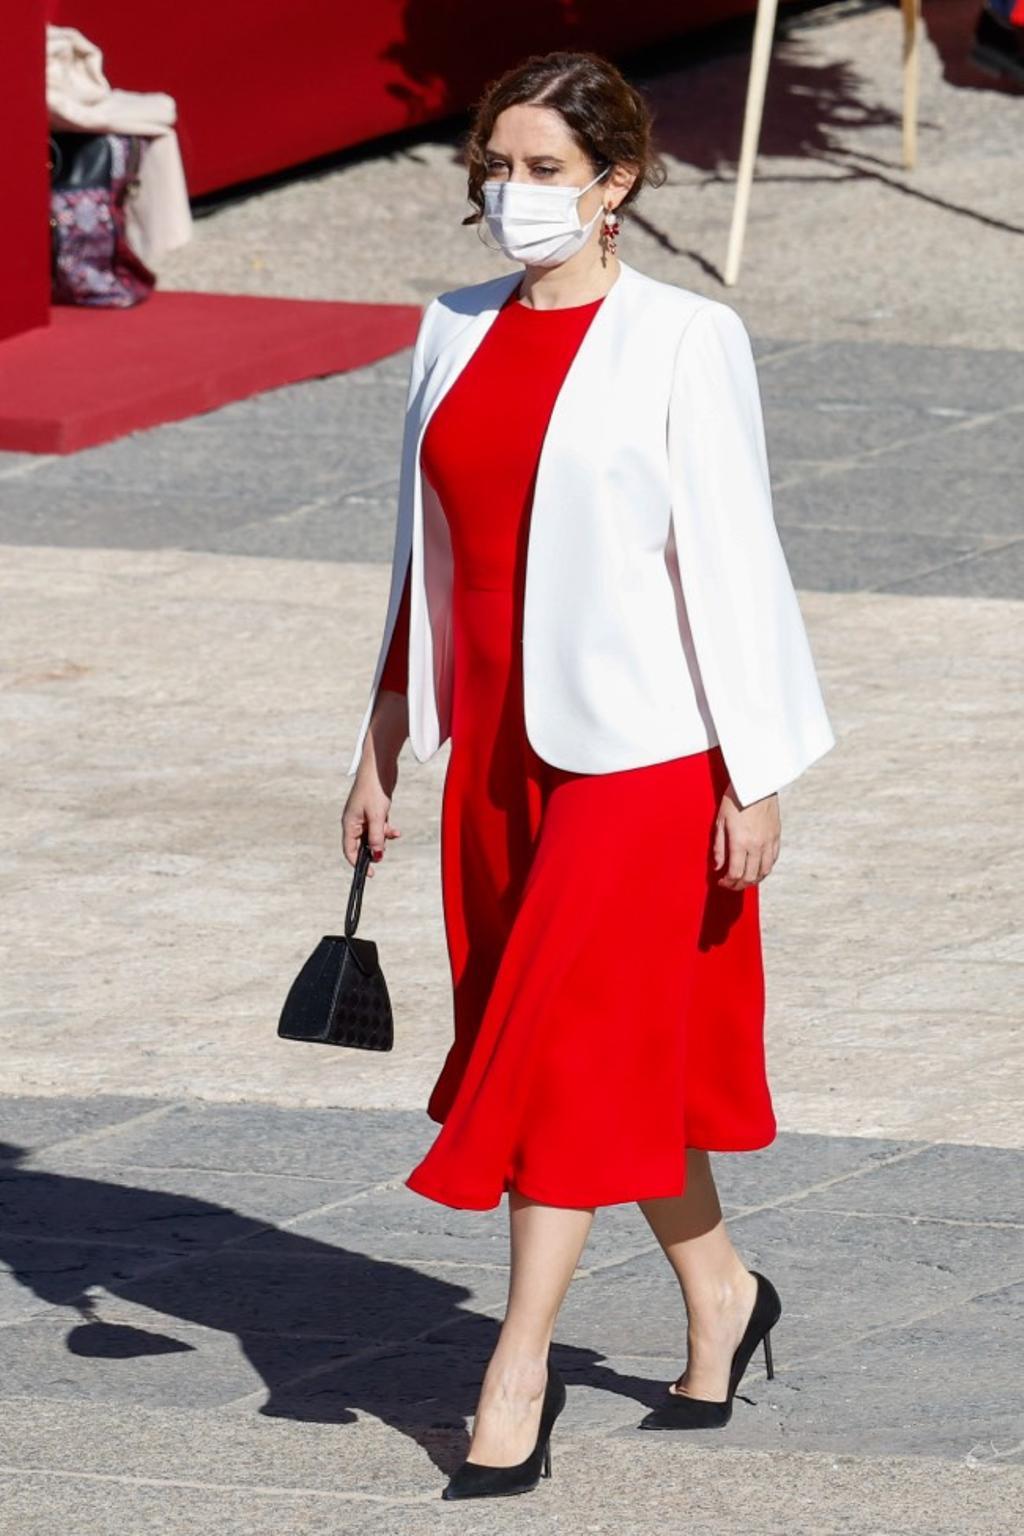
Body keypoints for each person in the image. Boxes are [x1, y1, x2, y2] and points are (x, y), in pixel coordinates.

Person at [341, 48, 835, 1501]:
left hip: (645, 756)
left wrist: (755, 775)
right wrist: (377, 744)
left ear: (616, 185)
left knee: (555, 1054)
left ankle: (516, 1373)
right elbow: (415, 560)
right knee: (620, 1053)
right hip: (490, 755)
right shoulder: (448, 327)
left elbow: (734, 565)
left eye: (546, 171)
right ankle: (726, 1296)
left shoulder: (686, 340)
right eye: (495, 168)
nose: (513, 195)